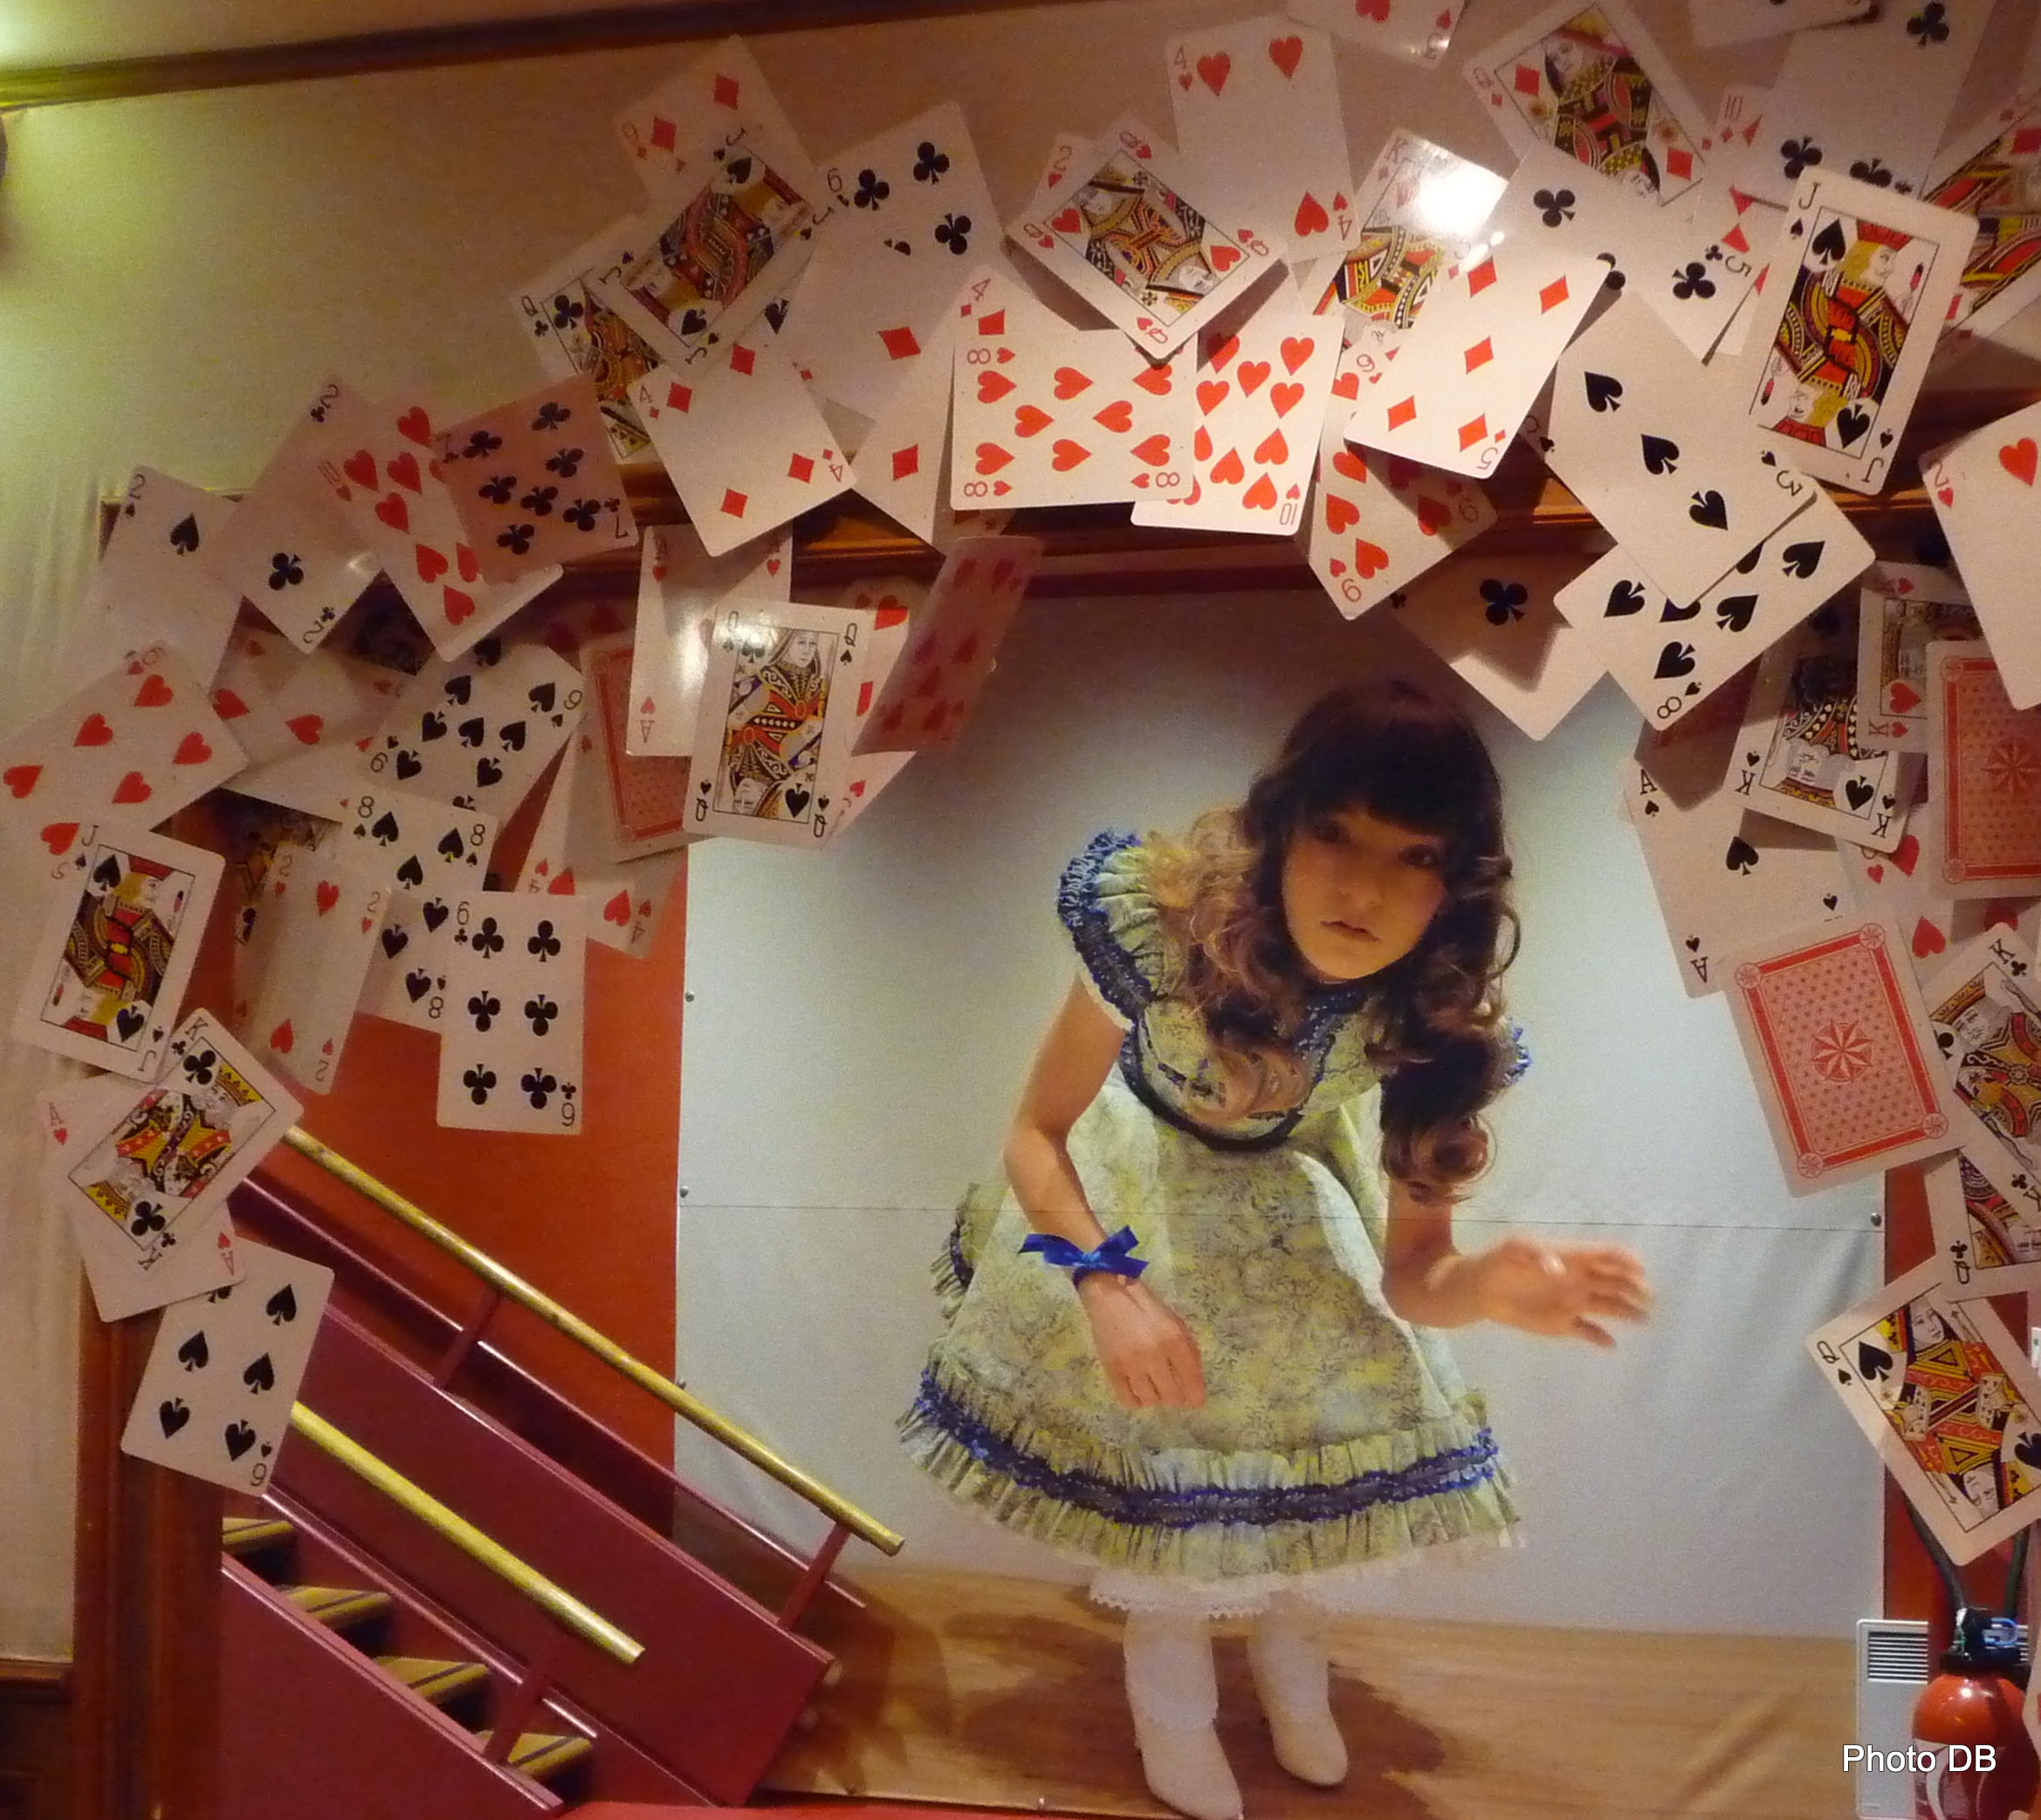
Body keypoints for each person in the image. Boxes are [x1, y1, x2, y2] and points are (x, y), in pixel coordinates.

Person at [899, 677, 1652, 1820]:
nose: (1361, 888)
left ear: (1455, 882)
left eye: (1414, 855)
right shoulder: (1162, 929)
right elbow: (1035, 1130)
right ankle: (1172, 1710)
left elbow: (1416, 1278)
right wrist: (1107, 1284)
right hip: (1136, 1180)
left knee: (1314, 1434)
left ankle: (1295, 1676)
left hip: (1287, 1194)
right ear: (1279, 829)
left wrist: (1486, 1287)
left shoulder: (1427, 1026)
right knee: (1164, 1453)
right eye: (1333, 834)